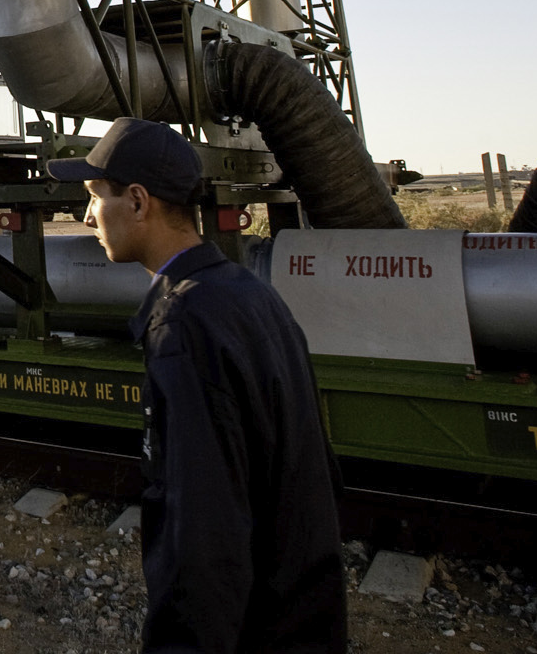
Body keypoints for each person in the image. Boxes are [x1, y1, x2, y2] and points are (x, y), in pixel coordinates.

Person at [53, 118, 347, 654]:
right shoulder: (250, 296)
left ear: (138, 202)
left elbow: (203, 535)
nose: (88, 215)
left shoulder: (184, 327)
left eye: (96, 196)